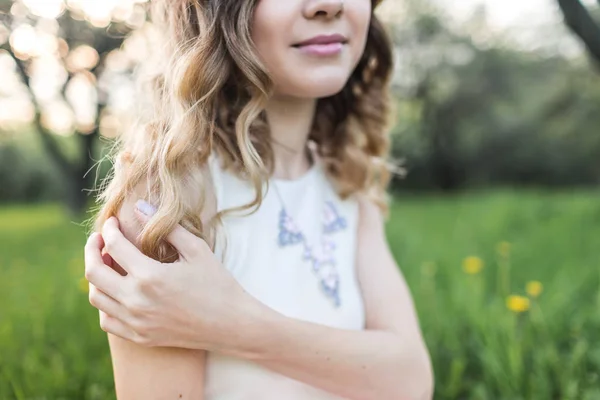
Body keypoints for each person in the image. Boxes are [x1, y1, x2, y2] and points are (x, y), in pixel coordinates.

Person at [83, 0, 433, 398]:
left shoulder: (348, 184)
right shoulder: (167, 199)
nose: (328, 5)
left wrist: (233, 324)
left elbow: (412, 380)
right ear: (216, 11)